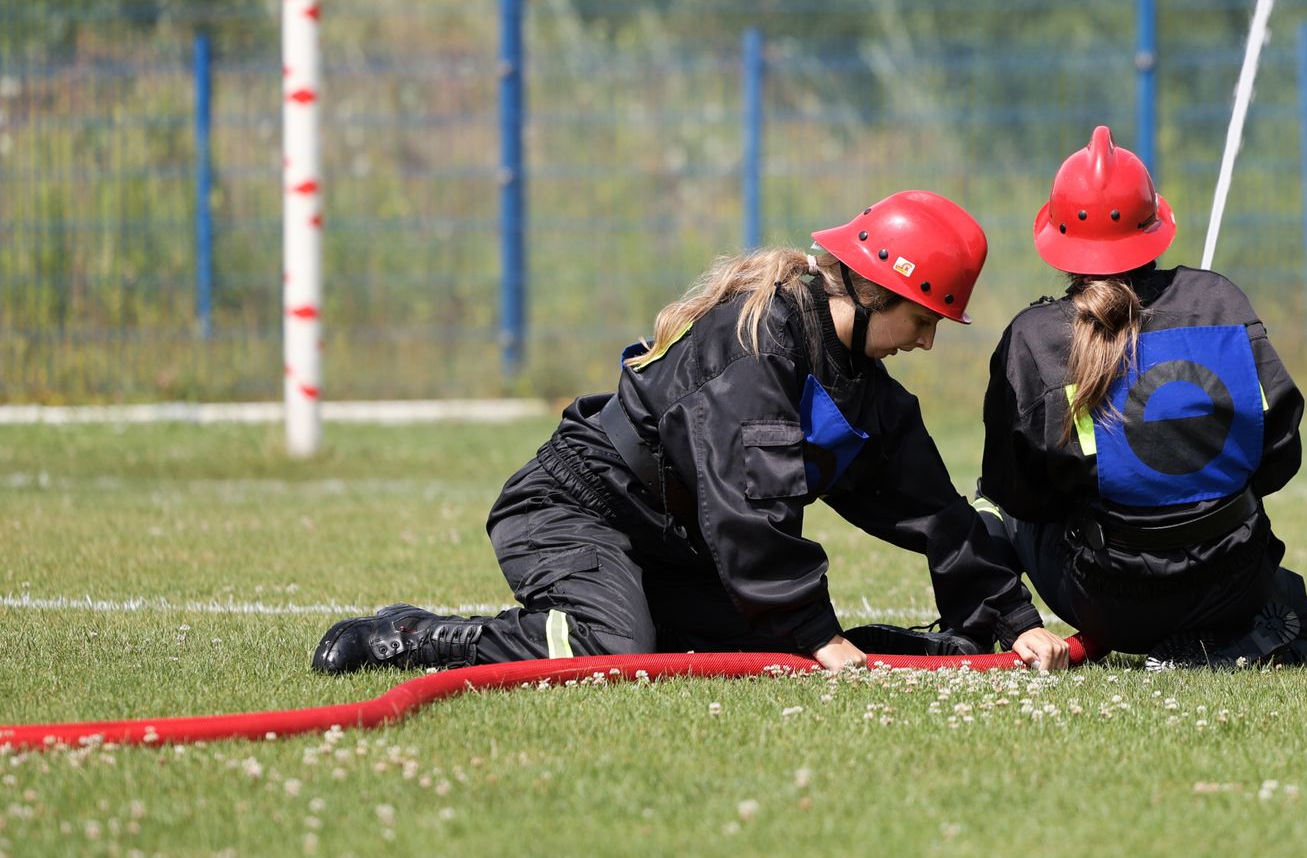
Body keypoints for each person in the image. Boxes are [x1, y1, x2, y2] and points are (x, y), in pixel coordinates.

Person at [314, 191, 1070, 675]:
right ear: (880, 290)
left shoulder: (863, 391)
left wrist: (1009, 619)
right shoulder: (756, 344)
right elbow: (750, 504)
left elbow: (935, 511)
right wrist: (813, 627)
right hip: (573, 509)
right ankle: (412, 637)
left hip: (675, 544)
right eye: (924, 320)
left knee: (768, 648)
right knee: (617, 648)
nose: (928, 343)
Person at [977, 127, 1307, 669]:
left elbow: (1022, 493)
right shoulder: (1220, 300)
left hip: (1110, 604)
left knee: (989, 499)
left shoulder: (1034, 337)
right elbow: (1281, 453)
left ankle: (994, 623)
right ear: (1155, 225)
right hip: (1238, 580)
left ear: (1058, 237)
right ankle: (1240, 634)